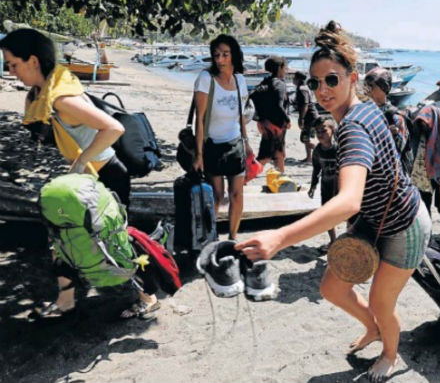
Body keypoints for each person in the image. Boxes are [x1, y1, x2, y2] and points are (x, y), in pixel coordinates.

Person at [235, 21, 431, 382]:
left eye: (332, 80)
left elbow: (348, 201)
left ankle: (390, 354)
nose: (322, 90)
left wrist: (279, 238)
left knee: (381, 301)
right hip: (377, 217)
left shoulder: (354, 127)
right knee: (331, 287)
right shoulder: (363, 109)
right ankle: (374, 329)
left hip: (405, 224)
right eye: (315, 82)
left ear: (352, 78)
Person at [0, 28, 158, 318]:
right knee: (62, 236)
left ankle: (147, 296)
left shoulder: (61, 98)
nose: (10, 71)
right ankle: (66, 299)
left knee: (116, 242)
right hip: (87, 179)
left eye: (13, 64)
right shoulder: (45, 92)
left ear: (32, 60)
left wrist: (79, 163)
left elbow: (114, 128)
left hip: (108, 176)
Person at [191, 34, 252, 240]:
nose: (220, 60)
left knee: (237, 195)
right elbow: (199, 119)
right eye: (216, 55)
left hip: (235, 144)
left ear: (234, 55)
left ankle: (233, 237)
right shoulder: (206, 79)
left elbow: (241, 115)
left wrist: (247, 142)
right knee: (217, 196)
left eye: (225, 54)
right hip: (212, 146)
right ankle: (210, 236)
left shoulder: (240, 80)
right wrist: (199, 154)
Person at [255, 55, 291, 172]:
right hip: (276, 126)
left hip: (267, 123)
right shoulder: (280, 84)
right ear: (280, 68)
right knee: (265, 156)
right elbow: (279, 105)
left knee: (279, 153)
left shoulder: (265, 82)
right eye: (285, 68)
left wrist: (261, 120)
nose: (286, 71)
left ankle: (281, 178)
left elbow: (254, 100)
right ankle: (244, 179)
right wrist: (287, 120)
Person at [307, 117, 338, 243]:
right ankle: (333, 240)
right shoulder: (318, 151)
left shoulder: (340, 148)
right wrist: (313, 185)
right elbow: (316, 169)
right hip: (326, 186)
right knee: (326, 215)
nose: (320, 134)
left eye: (323, 131)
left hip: (340, 186)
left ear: (333, 130)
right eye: (317, 132)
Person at [293, 70, 319, 163]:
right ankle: (309, 158)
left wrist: (302, 118)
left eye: (294, 78)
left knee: (305, 138)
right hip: (312, 116)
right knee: (306, 138)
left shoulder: (302, 89)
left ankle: (322, 152)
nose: (293, 80)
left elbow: (305, 104)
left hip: (310, 117)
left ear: (298, 79)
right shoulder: (305, 87)